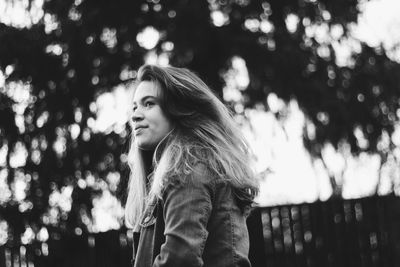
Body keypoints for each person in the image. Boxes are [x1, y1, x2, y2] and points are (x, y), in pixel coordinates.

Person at [125, 64, 259, 267]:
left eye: (149, 104)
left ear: (177, 110)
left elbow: (178, 261)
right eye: (135, 106)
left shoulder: (186, 165)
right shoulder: (187, 166)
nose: (135, 115)